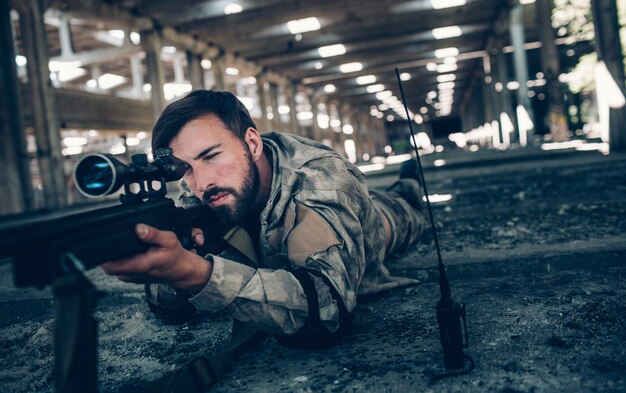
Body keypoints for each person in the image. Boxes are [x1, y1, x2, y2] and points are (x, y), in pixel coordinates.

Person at [101, 90, 427, 347]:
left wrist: (197, 273)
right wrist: (169, 264)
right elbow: (168, 310)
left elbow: (326, 313)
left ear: (252, 144)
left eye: (212, 156)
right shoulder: (200, 190)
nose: (201, 182)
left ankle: (409, 187)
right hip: (275, 242)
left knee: (404, 210)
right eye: (185, 168)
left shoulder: (319, 181)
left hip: (383, 225)